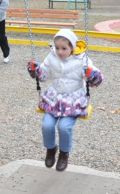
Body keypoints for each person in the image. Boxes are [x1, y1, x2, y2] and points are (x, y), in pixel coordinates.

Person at [27, 29, 103, 171]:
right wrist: (35, 70)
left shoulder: (83, 60)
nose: (60, 52)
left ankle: (64, 153)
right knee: (47, 125)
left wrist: (91, 75)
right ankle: (50, 149)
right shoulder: (51, 57)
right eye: (57, 48)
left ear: (72, 47)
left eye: (64, 48)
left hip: (73, 100)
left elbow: (97, 81)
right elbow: (43, 77)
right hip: (53, 98)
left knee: (64, 127)